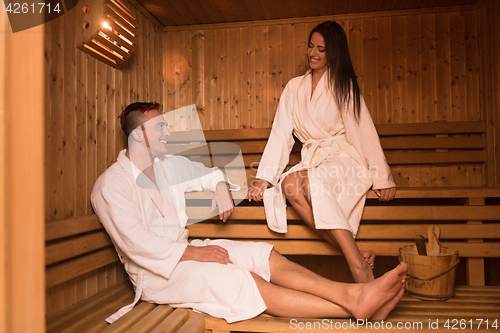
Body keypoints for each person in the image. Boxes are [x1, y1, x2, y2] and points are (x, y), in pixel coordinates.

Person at [91, 102, 406, 325]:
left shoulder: (168, 166)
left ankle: (357, 295)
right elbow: (135, 242)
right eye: (160, 126)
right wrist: (193, 254)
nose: (168, 133)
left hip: (185, 252)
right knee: (242, 277)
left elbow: (211, 172)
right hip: (157, 274)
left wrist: (218, 186)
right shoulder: (111, 184)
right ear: (138, 135)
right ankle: (353, 305)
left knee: (262, 254)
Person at [248, 21, 396, 283]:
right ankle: (356, 256)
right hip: (315, 160)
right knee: (290, 183)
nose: (312, 53)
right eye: (310, 46)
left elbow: (363, 130)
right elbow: (280, 134)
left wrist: (382, 177)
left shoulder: (343, 85)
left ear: (334, 52)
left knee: (310, 181)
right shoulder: (294, 87)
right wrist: (263, 180)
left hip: (343, 159)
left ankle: (359, 270)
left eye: (321, 49)